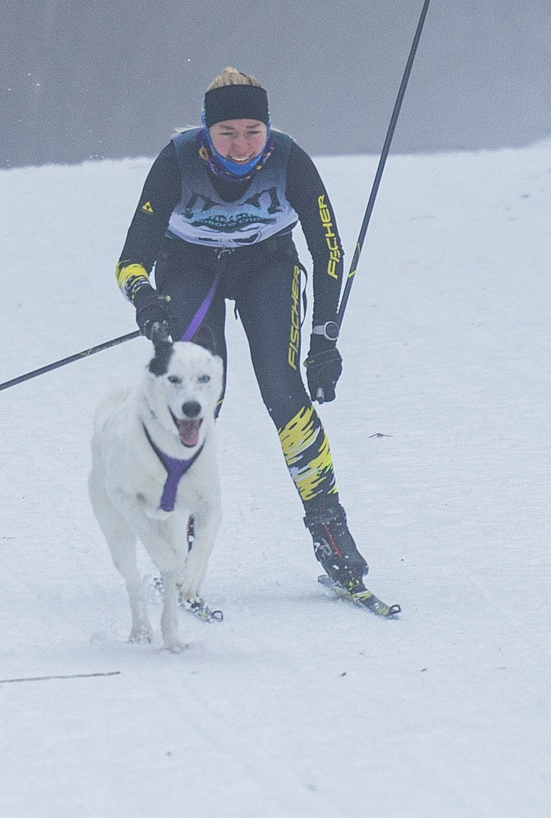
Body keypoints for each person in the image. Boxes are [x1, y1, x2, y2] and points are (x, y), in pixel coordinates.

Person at [114, 67, 371, 592]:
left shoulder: (290, 159)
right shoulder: (177, 161)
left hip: (266, 265)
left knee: (283, 387)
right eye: (226, 133)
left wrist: (324, 340)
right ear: (206, 131)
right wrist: (146, 302)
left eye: (253, 132)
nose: (241, 146)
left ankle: (330, 530)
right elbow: (131, 260)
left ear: (268, 128)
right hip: (190, 267)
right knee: (196, 399)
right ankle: (178, 539)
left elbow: (329, 251)